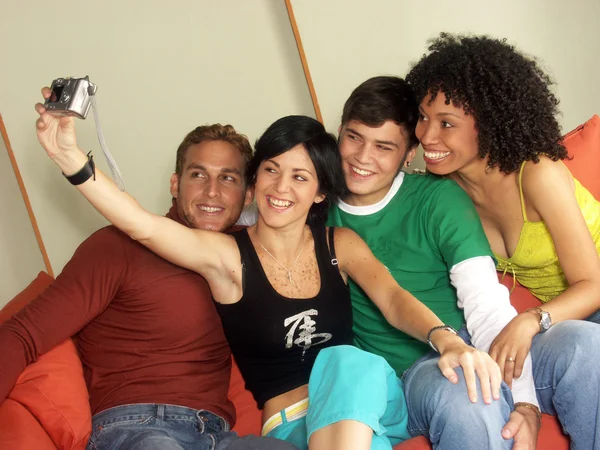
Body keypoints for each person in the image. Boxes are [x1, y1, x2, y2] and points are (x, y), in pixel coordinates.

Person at [35, 90, 501, 450]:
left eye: (300, 177)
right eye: (271, 171)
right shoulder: (226, 256)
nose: (282, 188)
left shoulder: (340, 243)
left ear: (321, 193)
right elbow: (142, 226)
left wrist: (448, 340)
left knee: (345, 359)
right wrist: (71, 159)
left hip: (365, 402)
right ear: (255, 181)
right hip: (294, 426)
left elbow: (395, 300)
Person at [0, 123, 300, 450]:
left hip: (217, 435)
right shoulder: (118, 247)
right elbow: (23, 334)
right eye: (198, 175)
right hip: (135, 428)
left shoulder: (250, 258)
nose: (212, 191)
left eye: (228, 178)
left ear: (247, 195)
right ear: (175, 184)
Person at [404, 32, 600, 449]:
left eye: (447, 123)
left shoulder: (538, 173)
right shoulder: (446, 191)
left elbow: (594, 284)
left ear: (489, 123)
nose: (426, 135)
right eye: (422, 117)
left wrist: (530, 320)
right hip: (571, 320)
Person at [327, 75, 541, 450]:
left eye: (384, 146)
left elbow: (486, 305)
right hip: (417, 367)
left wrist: (526, 402)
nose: (362, 158)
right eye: (354, 137)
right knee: (469, 395)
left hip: (482, 340)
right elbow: (254, 204)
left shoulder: (438, 197)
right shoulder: (311, 204)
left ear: (409, 154)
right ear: (339, 132)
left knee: (586, 346)